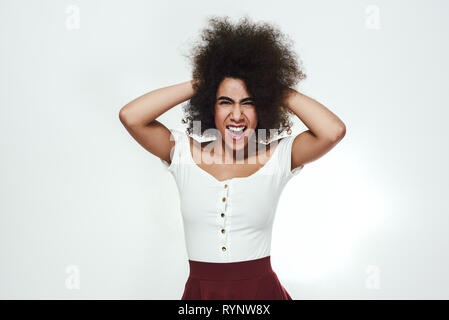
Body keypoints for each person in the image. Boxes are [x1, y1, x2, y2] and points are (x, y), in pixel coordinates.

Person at [119, 16, 346, 300]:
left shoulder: (277, 158)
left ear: (263, 106)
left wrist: (271, 85)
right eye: (225, 101)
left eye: (248, 103)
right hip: (202, 294)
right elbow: (131, 116)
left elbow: (333, 131)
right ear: (209, 106)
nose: (236, 115)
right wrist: (206, 82)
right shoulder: (183, 154)